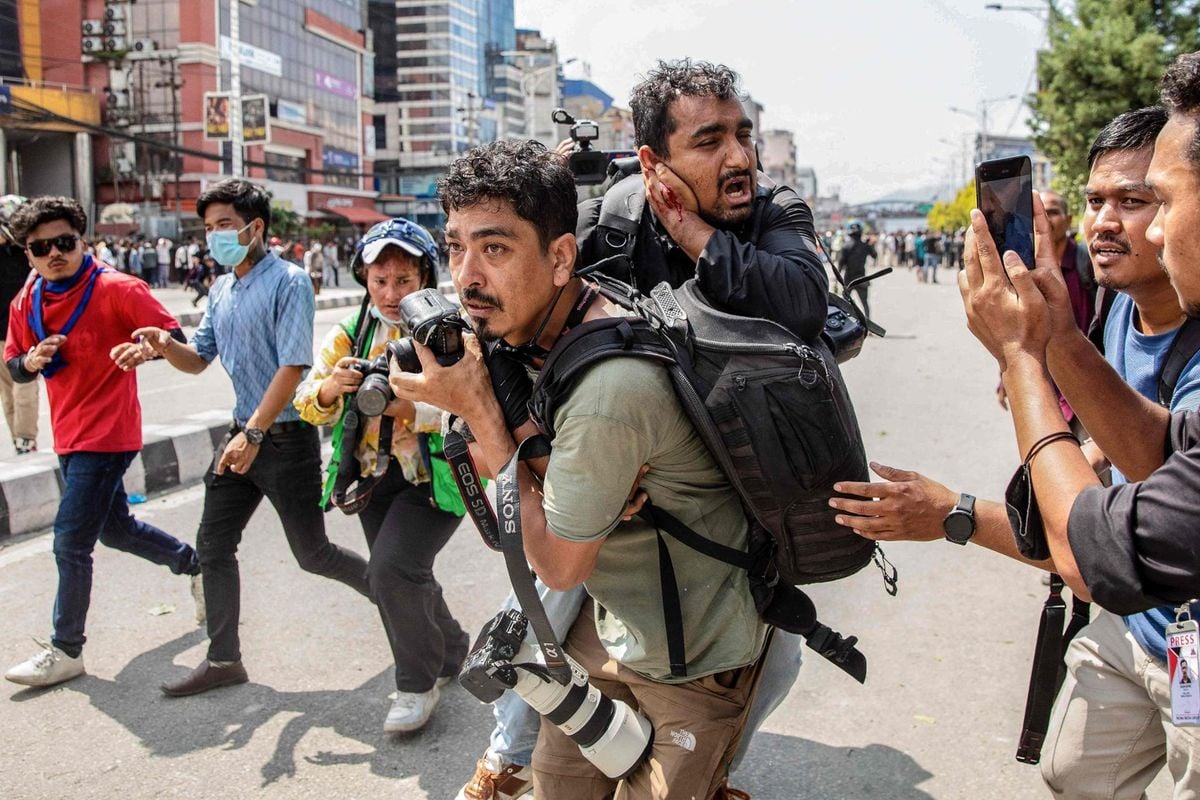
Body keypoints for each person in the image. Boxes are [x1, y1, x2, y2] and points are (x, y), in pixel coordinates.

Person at [455, 60, 828, 800]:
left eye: (743, 135)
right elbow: (523, 330)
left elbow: (801, 303)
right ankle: (507, 754)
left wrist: (691, 230)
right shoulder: (614, 223)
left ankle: (710, 767)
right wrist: (549, 454)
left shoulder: (773, 211)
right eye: (710, 141)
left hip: (747, 493)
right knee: (547, 606)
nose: (739, 157)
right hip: (624, 494)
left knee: (772, 659)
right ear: (654, 159)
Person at [831, 105, 1200, 797]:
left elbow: (1094, 555)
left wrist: (1021, 358)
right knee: (1072, 772)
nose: (1107, 223)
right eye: (1094, 201)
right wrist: (1050, 344)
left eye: (1143, 201)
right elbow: (1144, 454)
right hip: (1141, 625)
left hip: (1178, 632)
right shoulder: (1120, 306)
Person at [393, 137, 768, 800]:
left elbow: (559, 566)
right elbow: (521, 507)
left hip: (695, 657)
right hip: (607, 632)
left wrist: (481, 413)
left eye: (495, 248)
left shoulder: (607, 389)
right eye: (455, 248)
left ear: (562, 257)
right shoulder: (537, 333)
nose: (467, 277)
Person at [132, 179, 372, 697]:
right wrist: (163, 344)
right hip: (242, 435)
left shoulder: (289, 281)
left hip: (283, 439)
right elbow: (197, 360)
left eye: (224, 225)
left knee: (314, 554)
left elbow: (293, 366)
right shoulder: (221, 289)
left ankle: (402, 598)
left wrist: (256, 432)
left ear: (254, 227)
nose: (213, 236)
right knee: (213, 545)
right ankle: (223, 659)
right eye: (208, 227)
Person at [1, 196, 200, 688]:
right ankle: (196, 566)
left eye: (64, 242)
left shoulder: (118, 288)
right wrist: (31, 361)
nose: (54, 254)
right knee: (116, 530)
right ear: (27, 254)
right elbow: (14, 367)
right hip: (68, 434)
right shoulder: (27, 301)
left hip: (110, 433)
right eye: (40, 247)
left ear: (82, 241)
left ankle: (66, 648)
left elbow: (173, 337)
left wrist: (147, 348)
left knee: (70, 540)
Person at [293, 218, 469, 733]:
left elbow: (472, 406)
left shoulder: (448, 331)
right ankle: (452, 648)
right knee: (404, 574)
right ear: (364, 280)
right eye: (380, 281)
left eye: (404, 280)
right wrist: (332, 387)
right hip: (373, 476)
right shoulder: (351, 333)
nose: (391, 294)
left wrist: (410, 410)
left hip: (435, 476)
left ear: (425, 278)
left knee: (391, 571)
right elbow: (307, 402)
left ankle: (416, 685)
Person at [0, 195, 39, 454]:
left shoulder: (27, 253)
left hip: (21, 331)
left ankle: (23, 438)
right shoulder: (27, 255)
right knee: (14, 388)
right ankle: (22, 439)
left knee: (20, 385)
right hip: (11, 333)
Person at [838, 220, 877, 317]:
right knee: (865, 303)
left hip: (848, 278)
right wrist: (870, 244)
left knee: (845, 303)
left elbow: (841, 263)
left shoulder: (846, 246)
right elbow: (874, 255)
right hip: (861, 278)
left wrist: (837, 276)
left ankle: (846, 321)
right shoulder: (865, 246)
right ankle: (868, 322)